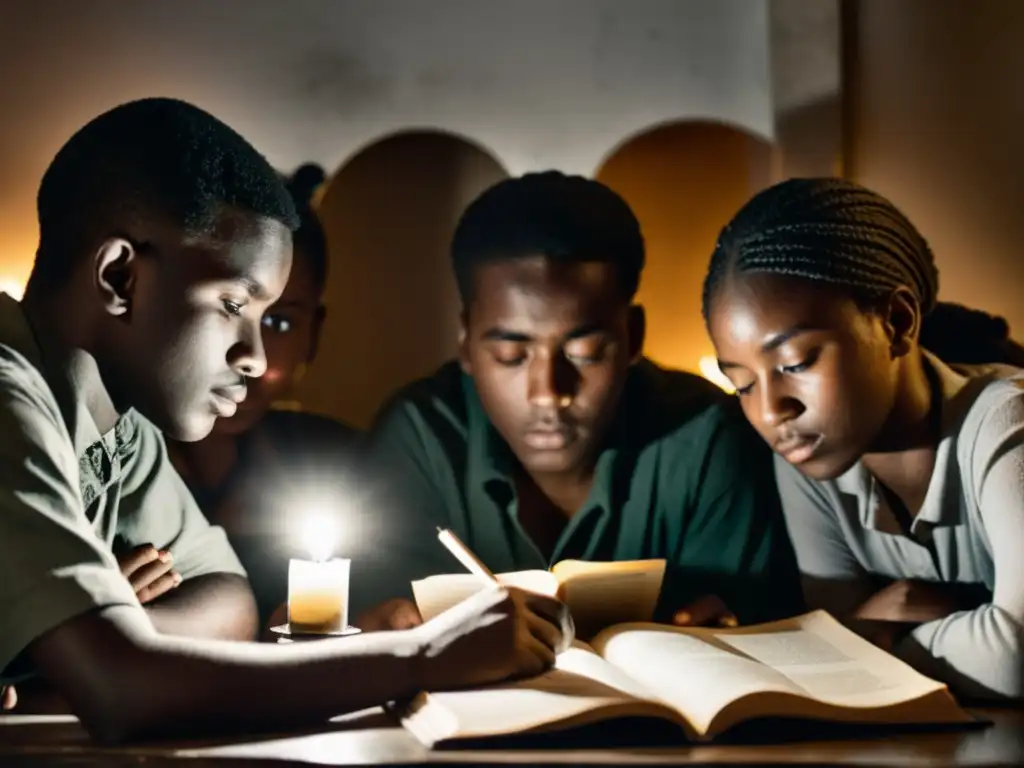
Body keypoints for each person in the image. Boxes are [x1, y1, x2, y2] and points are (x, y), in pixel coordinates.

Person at [0, 98, 569, 740]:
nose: (255, 358)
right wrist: (425, 653)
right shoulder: (9, 398)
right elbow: (125, 692)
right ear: (119, 276)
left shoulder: (120, 428)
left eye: (271, 318)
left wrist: (84, 641)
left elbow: (229, 601)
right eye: (233, 304)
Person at [359, 171, 803, 629]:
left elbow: (759, 625)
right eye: (511, 355)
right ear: (467, 341)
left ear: (633, 337)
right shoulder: (421, 436)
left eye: (584, 353)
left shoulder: (706, 438)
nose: (549, 391)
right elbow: (372, 618)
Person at [702, 177, 1024, 702]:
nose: (770, 410)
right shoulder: (809, 459)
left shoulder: (1007, 424)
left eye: (795, 363)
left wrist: (873, 638)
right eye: (742, 384)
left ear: (897, 322)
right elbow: (839, 647)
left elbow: (1016, 659)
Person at [166, 163, 363, 628]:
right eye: (227, 307)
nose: (249, 355)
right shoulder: (103, 465)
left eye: (279, 323)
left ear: (313, 335)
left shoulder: (340, 463)